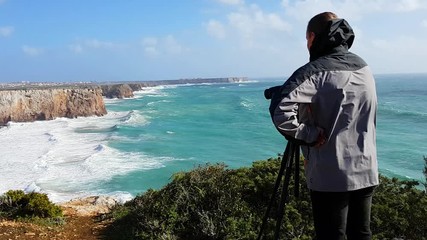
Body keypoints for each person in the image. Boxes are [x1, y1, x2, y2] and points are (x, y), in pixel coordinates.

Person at [267, 12, 379, 240]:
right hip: (366, 168)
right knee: (361, 233)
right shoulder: (363, 67)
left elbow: (280, 110)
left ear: (311, 37)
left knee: (331, 235)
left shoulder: (315, 71)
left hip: (331, 174)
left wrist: (309, 134)